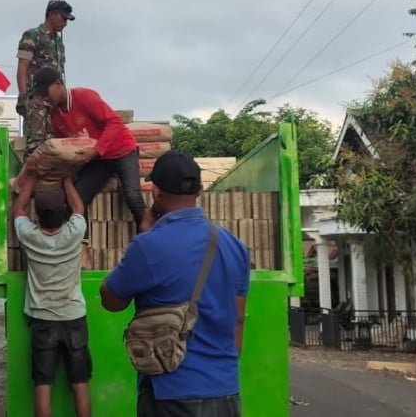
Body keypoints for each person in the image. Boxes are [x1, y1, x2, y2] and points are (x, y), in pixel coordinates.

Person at [99, 151, 250, 417]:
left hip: (171, 392)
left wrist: (145, 236)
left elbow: (111, 301)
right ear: (200, 191)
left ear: (155, 193)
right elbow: (238, 319)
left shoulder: (149, 246)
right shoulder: (233, 245)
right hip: (225, 391)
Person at [13, 177, 92, 417]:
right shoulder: (74, 232)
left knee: (43, 383)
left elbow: (18, 209)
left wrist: (32, 179)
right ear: (63, 213)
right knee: (79, 382)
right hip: (73, 316)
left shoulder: (29, 235)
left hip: (43, 319)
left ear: (37, 215)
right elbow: (80, 208)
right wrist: (68, 181)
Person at [32, 67, 146, 229]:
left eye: (46, 92)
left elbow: (114, 122)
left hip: (122, 151)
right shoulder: (55, 116)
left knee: (133, 196)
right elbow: (63, 144)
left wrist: (95, 150)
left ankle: (147, 238)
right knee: (76, 199)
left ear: (58, 84)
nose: (44, 98)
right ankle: (82, 245)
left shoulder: (84, 97)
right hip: (98, 160)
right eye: (41, 95)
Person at [15, 0, 75, 189]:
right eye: (63, 18)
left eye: (67, 20)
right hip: (37, 100)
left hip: (54, 102)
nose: (65, 23)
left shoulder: (58, 43)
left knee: (52, 146)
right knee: (35, 145)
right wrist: (24, 97)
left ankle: (47, 188)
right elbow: (22, 69)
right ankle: (26, 188)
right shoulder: (32, 35)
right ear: (51, 14)